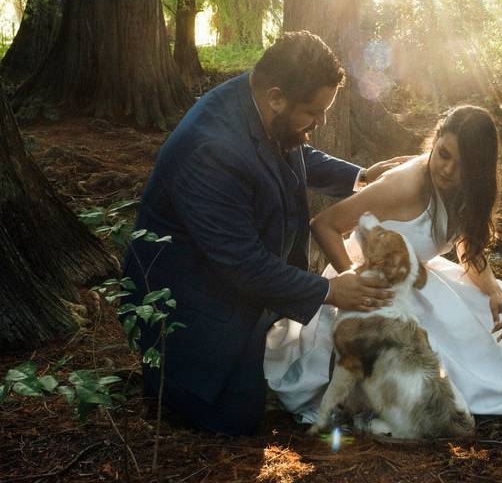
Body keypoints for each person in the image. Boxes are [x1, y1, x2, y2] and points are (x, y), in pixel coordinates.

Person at [124, 31, 401, 435]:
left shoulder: (261, 106)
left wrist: (359, 177)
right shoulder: (212, 150)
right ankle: (176, 380)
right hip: (190, 304)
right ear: (276, 97)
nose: (321, 122)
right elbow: (242, 264)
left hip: (235, 284)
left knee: (284, 385)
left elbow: (295, 147)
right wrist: (328, 291)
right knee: (237, 420)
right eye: (314, 111)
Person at [265, 106, 502, 422]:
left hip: (418, 280)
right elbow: (324, 224)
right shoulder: (404, 185)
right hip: (375, 288)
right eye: (444, 154)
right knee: (428, 362)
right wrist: (352, 281)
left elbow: (468, 245)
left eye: (463, 165)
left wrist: (494, 293)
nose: (449, 170)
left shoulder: (465, 191)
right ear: (435, 139)